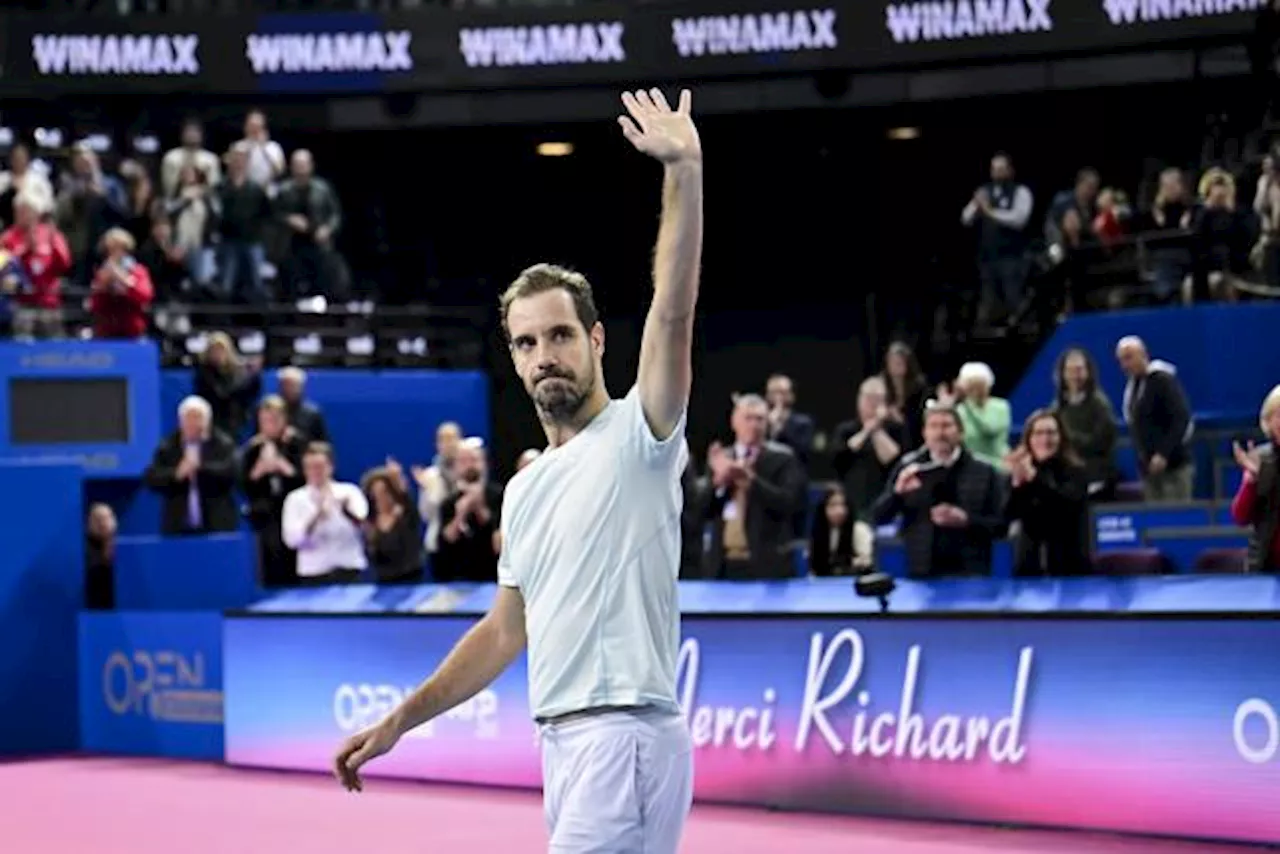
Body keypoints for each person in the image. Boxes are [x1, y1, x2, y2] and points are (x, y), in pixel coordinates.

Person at [333, 87, 703, 853]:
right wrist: (400, 721)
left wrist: (685, 171)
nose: (545, 356)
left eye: (561, 335)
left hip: (623, 736)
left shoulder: (642, 432)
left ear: (598, 341)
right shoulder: (528, 487)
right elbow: (506, 631)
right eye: (527, 343)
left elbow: (672, 309)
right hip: (565, 744)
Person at [1004, 410, 1091, 577]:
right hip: (1029, 566)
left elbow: (1065, 507)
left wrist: (1035, 478)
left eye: (1051, 433)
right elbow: (1008, 516)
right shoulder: (1022, 471)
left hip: (1068, 566)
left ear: (1061, 438)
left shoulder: (1075, 472)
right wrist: (1017, 487)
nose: (1045, 439)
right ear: (1029, 439)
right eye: (1038, 433)